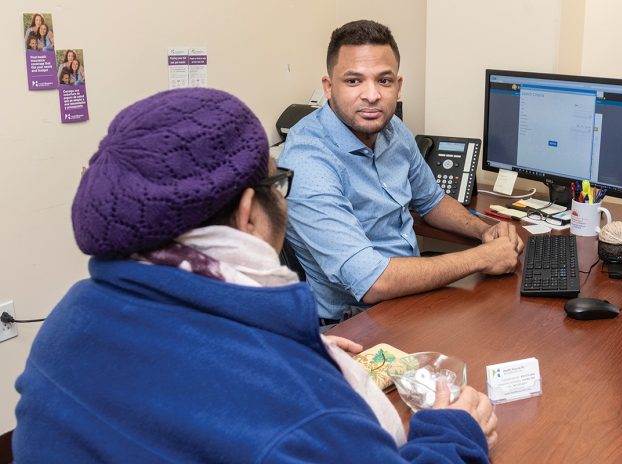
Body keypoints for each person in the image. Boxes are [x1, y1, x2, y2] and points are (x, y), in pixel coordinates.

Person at [13, 88, 498, 462]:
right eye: (276, 183)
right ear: (249, 213)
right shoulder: (306, 407)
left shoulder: (65, 322)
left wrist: (292, 342)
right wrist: (451, 431)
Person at [278, 20, 524, 326]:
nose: (371, 95)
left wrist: (483, 230)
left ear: (398, 85)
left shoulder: (394, 131)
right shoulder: (308, 161)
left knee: (511, 324)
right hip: (356, 322)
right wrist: (482, 257)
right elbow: (372, 282)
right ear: (329, 87)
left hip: (410, 297)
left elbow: (431, 201)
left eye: (384, 81)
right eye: (354, 81)